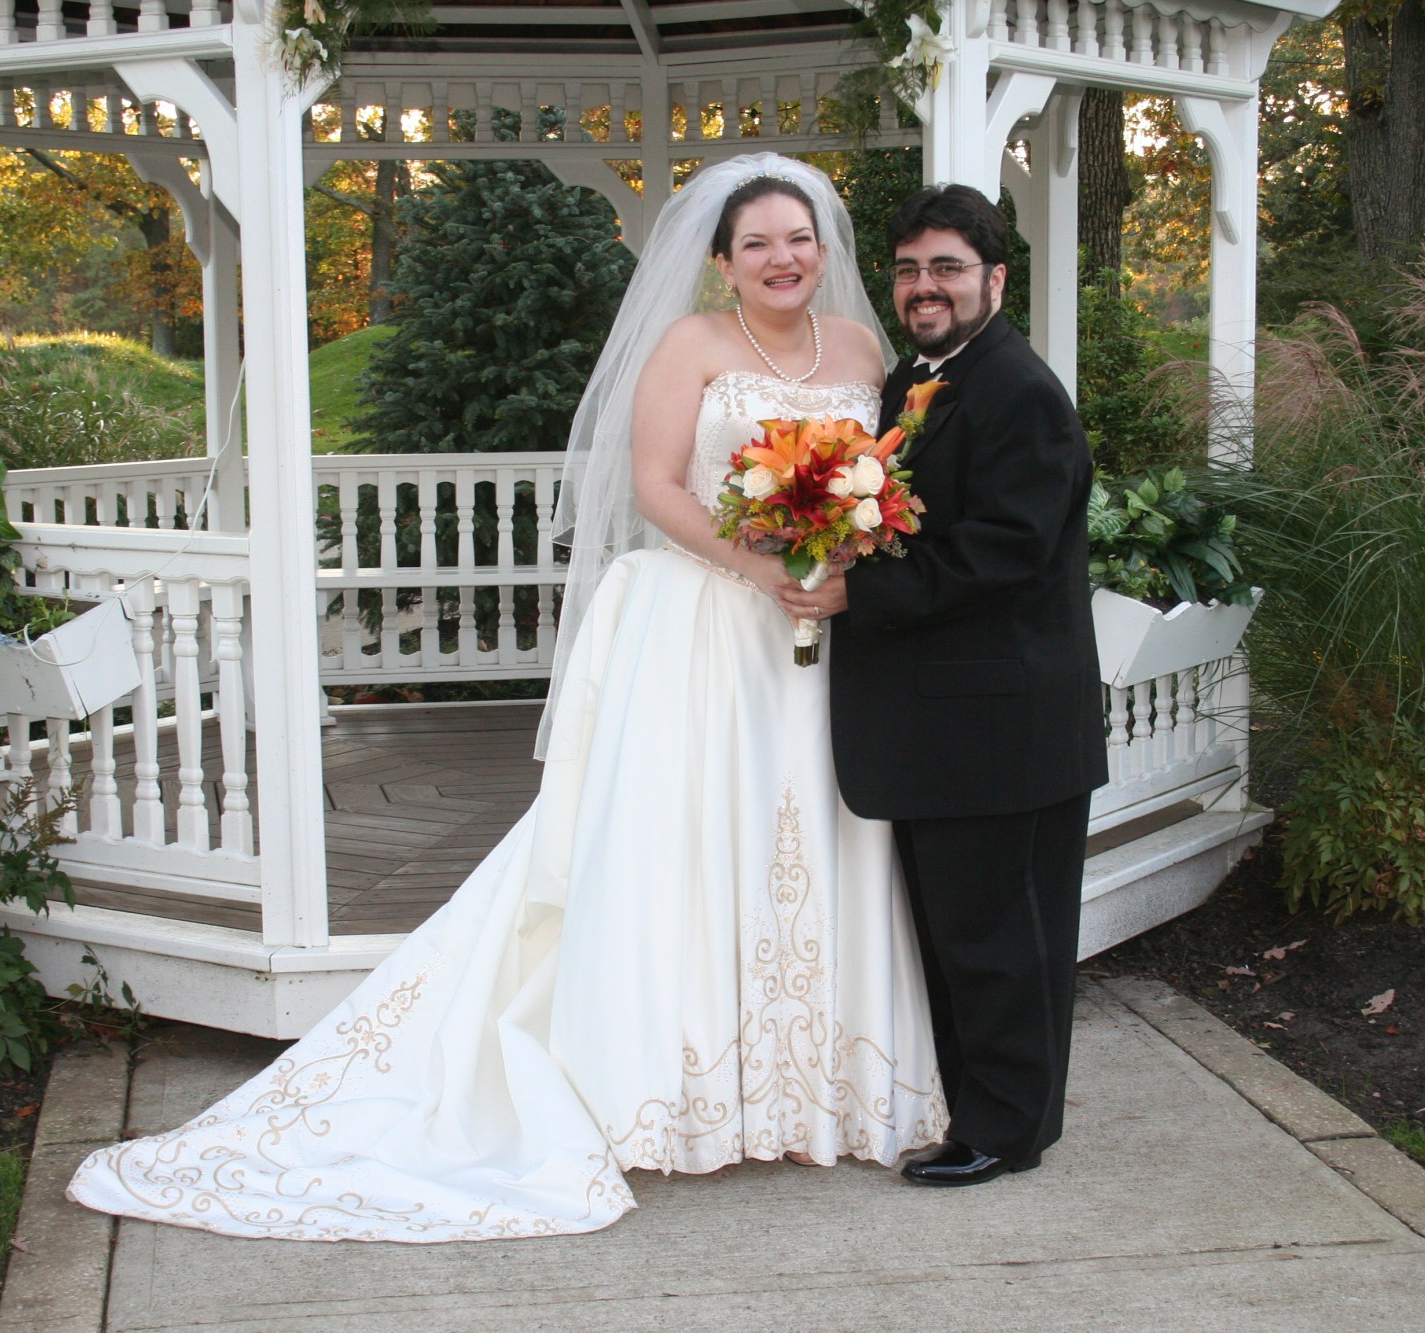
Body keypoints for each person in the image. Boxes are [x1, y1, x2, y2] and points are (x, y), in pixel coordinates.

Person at [65, 154, 945, 1243]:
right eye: (756, 242)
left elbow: (883, 481)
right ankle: (682, 1093)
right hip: (707, 627)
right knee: (687, 843)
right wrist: (759, 565)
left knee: (808, 839)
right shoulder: (690, 344)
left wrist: (836, 555)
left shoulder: (861, 349)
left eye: (798, 238)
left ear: (824, 249)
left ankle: (811, 1092)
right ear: (720, 262)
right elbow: (655, 485)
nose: (782, 258)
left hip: (819, 637)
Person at [777, 184, 1107, 1188]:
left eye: (948, 268)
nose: (926, 286)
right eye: (911, 269)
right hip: (947, 722)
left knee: (1001, 939)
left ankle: (1006, 1131)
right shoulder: (916, 383)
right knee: (963, 933)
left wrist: (856, 591)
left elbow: (1004, 553)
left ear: (994, 278)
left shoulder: (1019, 391)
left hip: (1001, 722)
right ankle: (983, 1111)